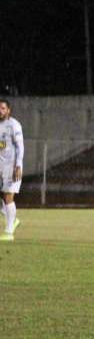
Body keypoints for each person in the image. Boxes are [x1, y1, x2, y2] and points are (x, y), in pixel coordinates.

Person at [0, 99, 24, 242]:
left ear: (8, 110)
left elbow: (20, 146)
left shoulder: (14, 125)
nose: (0, 111)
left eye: (3, 108)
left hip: (12, 167)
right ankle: (13, 220)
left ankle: (9, 232)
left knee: (8, 197)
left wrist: (18, 165)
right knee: (4, 197)